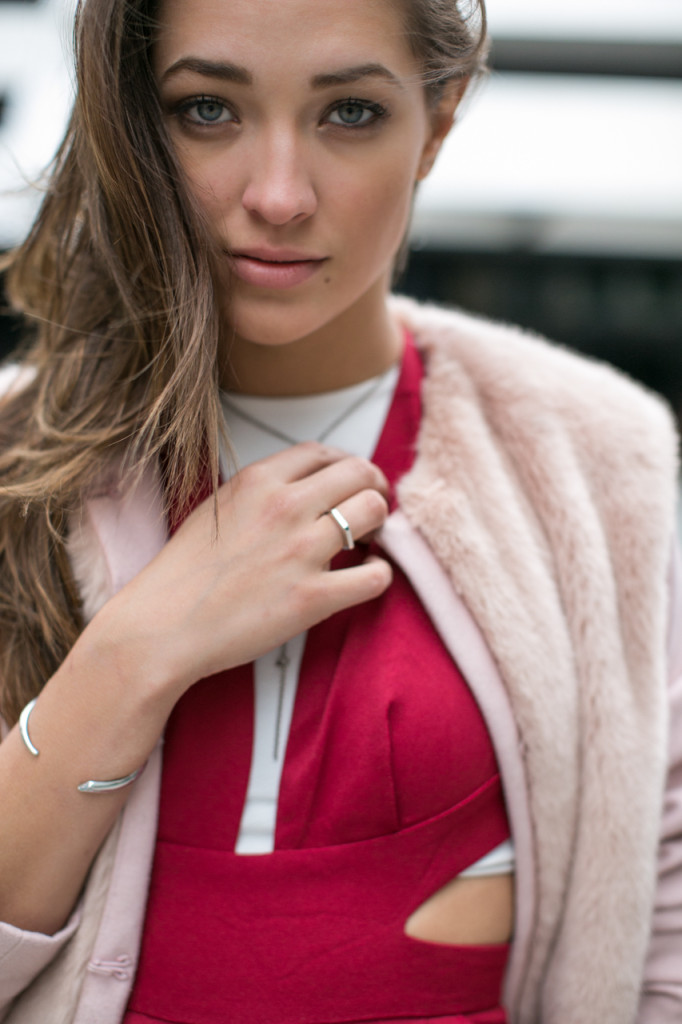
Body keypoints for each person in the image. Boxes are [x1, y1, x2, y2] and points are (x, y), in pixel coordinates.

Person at [0, 0, 680, 1019]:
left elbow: (662, 912)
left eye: (351, 112)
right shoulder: (15, 464)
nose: (278, 195)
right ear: (134, 126)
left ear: (437, 125)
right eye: (206, 111)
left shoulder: (595, 457)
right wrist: (133, 653)